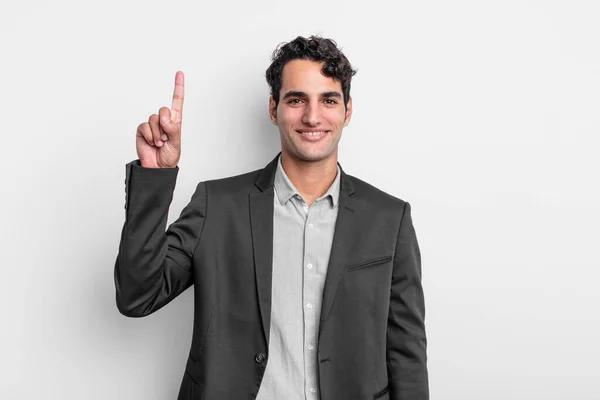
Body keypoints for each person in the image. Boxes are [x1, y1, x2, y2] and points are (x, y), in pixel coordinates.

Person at [114, 35, 428, 400]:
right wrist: (154, 177)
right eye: (296, 100)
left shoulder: (390, 218)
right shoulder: (217, 205)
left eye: (328, 99)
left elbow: (407, 356)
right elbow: (137, 296)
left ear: (347, 110)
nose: (312, 116)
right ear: (273, 108)